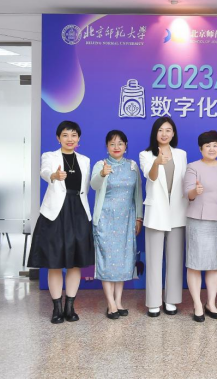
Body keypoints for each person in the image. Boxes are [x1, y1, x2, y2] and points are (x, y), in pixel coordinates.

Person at [28, 120, 94, 323]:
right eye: (65, 135)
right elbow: (45, 172)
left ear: (79, 138)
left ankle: (70, 307)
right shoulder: (49, 156)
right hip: (55, 213)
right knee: (54, 263)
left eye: (73, 135)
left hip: (79, 212)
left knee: (75, 264)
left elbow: (85, 188)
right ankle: (56, 308)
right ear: (58, 138)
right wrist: (54, 175)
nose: (69, 139)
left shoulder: (85, 160)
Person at [90, 130, 143, 319]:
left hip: (126, 220)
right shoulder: (100, 165)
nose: (116, 147)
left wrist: (139, 217)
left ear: (126, 146)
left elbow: (138, 193)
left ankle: (119, 301)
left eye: (120, 143)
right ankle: (110, 303)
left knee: (123, 261)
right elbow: (94, 185)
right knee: (107, 261)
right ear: (107, 147)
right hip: (106, 219)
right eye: (112, 144)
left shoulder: (132, 166)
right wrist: (102, 174)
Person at [139, 117, 188, 317]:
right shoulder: (146, 154)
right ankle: (153, 302)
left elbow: (183, 181)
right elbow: (150, 176)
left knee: (175, 259)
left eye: (168, 130)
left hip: (177, 210)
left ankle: (171, 300)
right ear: (155, 133)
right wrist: (157, 163)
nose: (164, 134)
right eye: (160, 130)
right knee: (153, 259)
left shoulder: (181, 154)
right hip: (156, 211)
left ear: (173, 133)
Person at [183, 130, 217, 322]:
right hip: (197, 219)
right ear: (200, 148)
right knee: (195, 264)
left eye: (215, 145)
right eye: (207, 145)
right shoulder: (193, 167)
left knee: (213, 264)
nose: (211, 149)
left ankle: (211, 303)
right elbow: (188, 193)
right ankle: (197, 304)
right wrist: (196, 190)